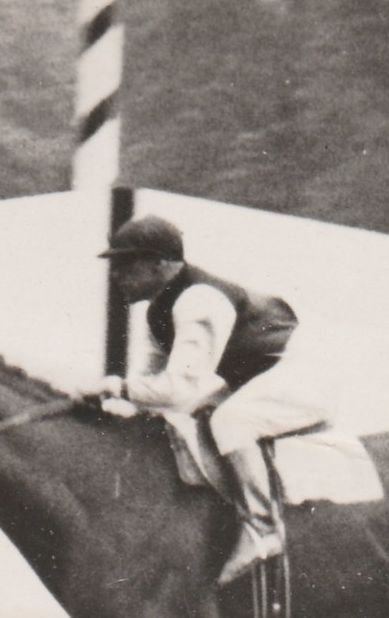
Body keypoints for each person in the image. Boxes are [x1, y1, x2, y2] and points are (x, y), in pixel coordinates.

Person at [91, 214, 329, 580]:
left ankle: (262, 531)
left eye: (126, 263)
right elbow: (155, 385)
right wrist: (112, 397)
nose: (116, 274)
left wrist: (118, 387)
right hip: (258, 377)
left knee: (229, 421)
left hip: (303, 371)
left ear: (160, 264)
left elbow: (177, 388)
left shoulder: (198, 299)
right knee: (194, 415)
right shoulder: (158, 313)